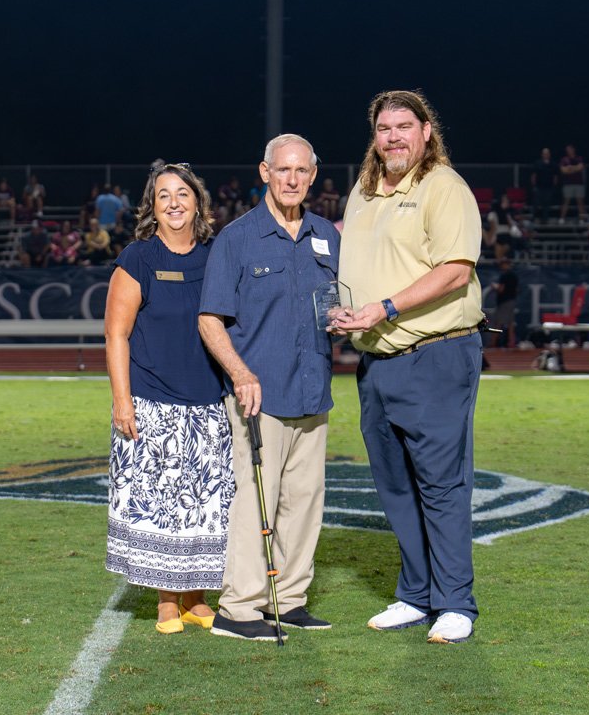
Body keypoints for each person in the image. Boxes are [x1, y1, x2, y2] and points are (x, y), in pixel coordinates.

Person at [332, 90, 484, 645]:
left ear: (425, 131)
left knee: (441, 484)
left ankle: (455, 603)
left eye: (403, 126)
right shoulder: (365, 190)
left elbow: (456, 270)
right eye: (383, 128)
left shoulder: (443, 186)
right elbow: (350, 253)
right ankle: (415, 595)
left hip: (435, 354)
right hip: (376, 358)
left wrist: (385, 306)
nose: (393, 137)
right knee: (395, 486)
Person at [198, 134, 340, 641]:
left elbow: (331, 306)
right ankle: (238, 608)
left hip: (312, 390)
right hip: (258, 397)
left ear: (314, 176)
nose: (293, 179)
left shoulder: (327, 234)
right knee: (254, 503)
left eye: (302, 171)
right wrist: (241, 373)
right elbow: (210, 319)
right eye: (284, 170)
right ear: (264, 172)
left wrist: (342, 321)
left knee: (304, 502)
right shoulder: (237, 238)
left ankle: (289, 599)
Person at [104, 162, 233, 635]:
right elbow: (116, 335)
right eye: (164, 195)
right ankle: (164, 602)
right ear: (152, 207)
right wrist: (123, 400)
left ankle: (196, 598)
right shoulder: (137, 258)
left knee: (203, 505)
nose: (174, 202)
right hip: (153, 402)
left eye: (183, 193)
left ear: (198, 202)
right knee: (163, 505)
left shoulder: (217, 257)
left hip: (207, 403)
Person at [557, 144, 586, 224]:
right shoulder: (564, 160)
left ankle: (582, 219)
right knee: (566, 201)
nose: (568, 151)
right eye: (567, 150)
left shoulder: (579, 158)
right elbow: (563, 170)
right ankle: (562, 218)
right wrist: (575, 168)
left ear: (573, 149)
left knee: (580, 201)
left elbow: (581, 167)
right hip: (568, 184)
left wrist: (570, 168)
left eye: (570, 149)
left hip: (579, 183)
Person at [530, 148, 557, 224]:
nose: (546, 155)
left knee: (547, 204)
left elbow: (555, 176)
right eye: (544, 153)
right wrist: (534, 186)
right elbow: (533, 175)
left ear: (549, 154)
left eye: (547, 153)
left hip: (549, 187)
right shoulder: (537, 163)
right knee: (536, 203)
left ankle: (545, 219)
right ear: (542, 154)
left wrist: (554, 186)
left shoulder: (553, 164)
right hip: (539, 187)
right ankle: (533, 217)